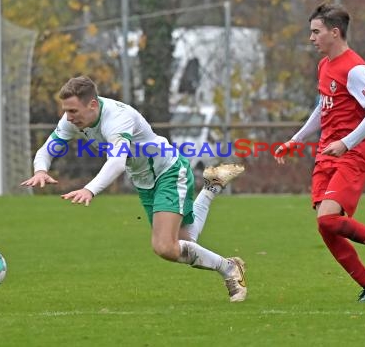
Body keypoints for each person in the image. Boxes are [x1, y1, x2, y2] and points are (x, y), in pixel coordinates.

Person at [21, 76, 247, 302]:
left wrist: (90, 189)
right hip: (144, 180)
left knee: (165, 247)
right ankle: (211, 187)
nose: (69, 117)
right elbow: (47, 149)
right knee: (183, 242)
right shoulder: (72, 119)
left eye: (73, 111)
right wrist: (40, 170)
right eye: (66, 111)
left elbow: (117, 162)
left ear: (93, 104)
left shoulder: (117, 118)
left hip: (168, 171)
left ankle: (229, 269)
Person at [275, 3, 365, 302]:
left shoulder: (355, 68)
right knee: (327, 228)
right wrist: (296, 139)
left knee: (327, 220)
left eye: (316, 32)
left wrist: (346, 142)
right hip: (327, 153)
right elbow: (323, 110)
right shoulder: (324, 66)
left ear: (335, 33)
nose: (311, 38)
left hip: (352, 153)